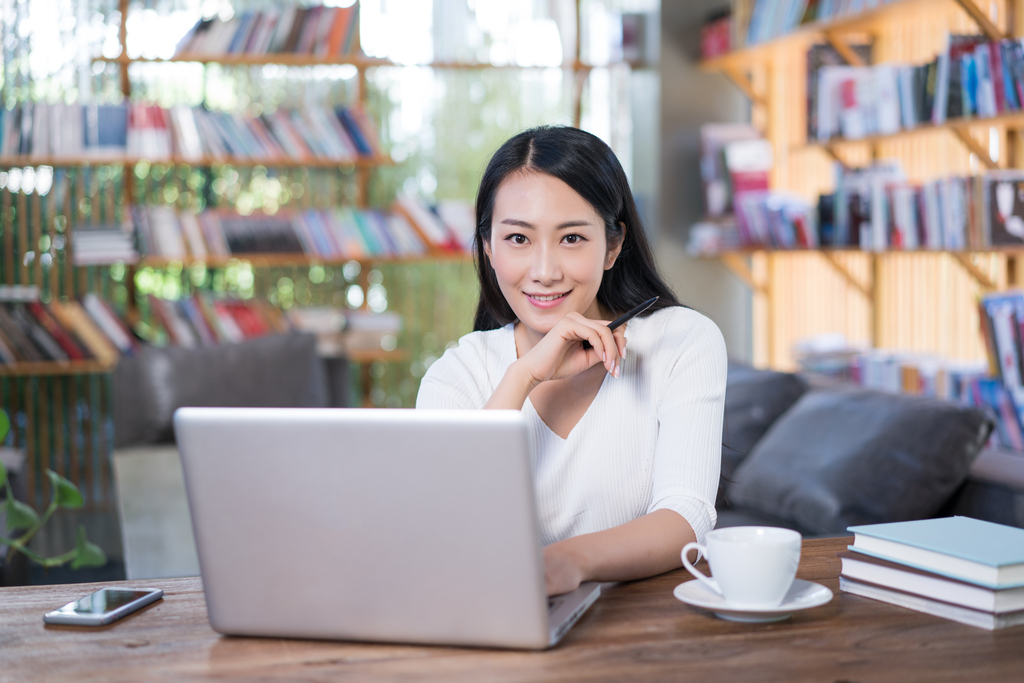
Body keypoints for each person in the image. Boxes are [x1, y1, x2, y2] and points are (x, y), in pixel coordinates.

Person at [416, 126, 726, 596]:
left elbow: (687, 515)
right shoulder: (456, 376)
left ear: (613, 246)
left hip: (642, 631)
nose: (545, 271)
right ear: (488, 247)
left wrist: (565, 563)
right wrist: (523, 376)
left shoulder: (682, 342)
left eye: (572, 238)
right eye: (518, 238)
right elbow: (443, 527)